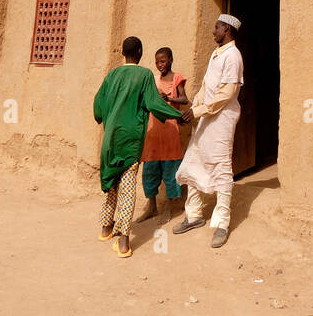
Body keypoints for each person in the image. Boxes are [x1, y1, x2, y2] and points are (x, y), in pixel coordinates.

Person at [93, 35, 184, 258]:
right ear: (141, 52)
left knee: (111, 180)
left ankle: (106, 228)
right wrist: (177, 115)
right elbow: (154, 103)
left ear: (123, 53)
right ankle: (124, 241)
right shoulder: (144, 75)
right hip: (131, 141)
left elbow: (97, 108)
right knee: (127, 186)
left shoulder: (112, 74)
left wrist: (108, 118)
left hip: (111, 139)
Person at [173, 14, 244, 249]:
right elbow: (206, 88)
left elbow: (226, 94)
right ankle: (194, 215)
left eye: (216, 27)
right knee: (194, 161)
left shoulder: (233, 56)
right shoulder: (216, 54)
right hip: (205, 117)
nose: (213, 31)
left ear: (227, 29)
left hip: (221, 120)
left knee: (221, 167)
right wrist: (193, 111)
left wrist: (199, 111)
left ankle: (222, 223)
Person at [137, 46, 189, 223]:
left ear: (171, 60)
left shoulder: (177, 79)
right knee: (150, 171)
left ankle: (168, 207)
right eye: (157, 62)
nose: (160, 65)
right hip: (153, 132)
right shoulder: (153, 80)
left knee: (170, 171)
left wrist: (169, 99)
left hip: (170, 133)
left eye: (163, 61)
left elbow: (184, 99)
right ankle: (151, 206)